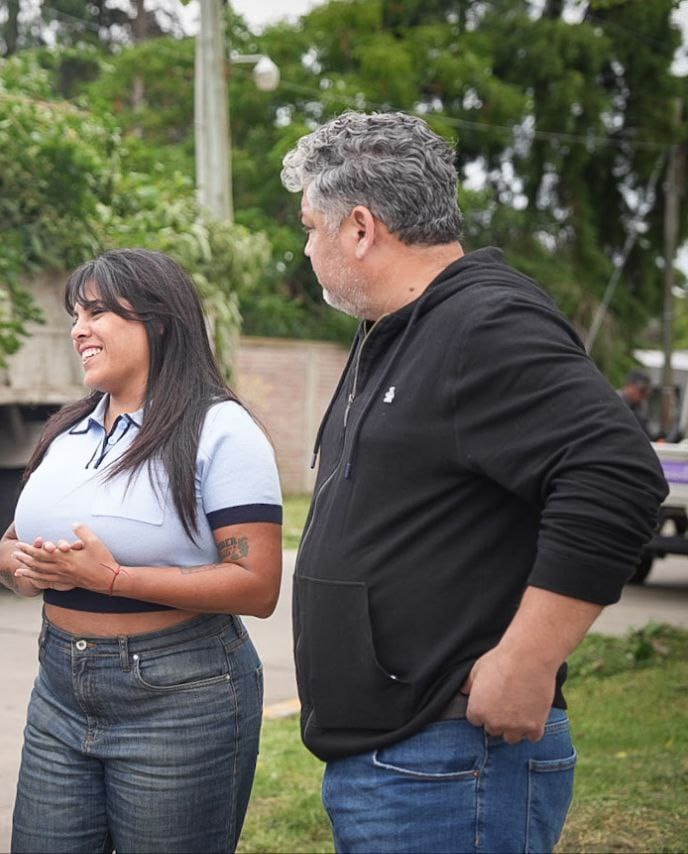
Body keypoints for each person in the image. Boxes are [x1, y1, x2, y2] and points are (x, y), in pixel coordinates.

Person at [281, 111, 668, 853]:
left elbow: (617, 473)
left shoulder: (483, 323)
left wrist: (529, 659)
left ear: (359, 228)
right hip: (401, 756)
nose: (306, 248)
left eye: (310, 226)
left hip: (452, 761)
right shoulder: (395, 331)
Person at [0, 248, 284, 853]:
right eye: (76, 313)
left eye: (97, 312)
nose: (79, 328)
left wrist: (114, 578)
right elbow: (13, 543)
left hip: (181, 695)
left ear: (157, 320)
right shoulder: (68, 432)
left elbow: (256, 586)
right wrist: (17, 569)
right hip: (59, 687)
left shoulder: (221, 431)